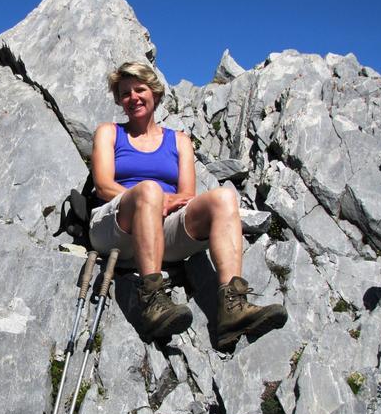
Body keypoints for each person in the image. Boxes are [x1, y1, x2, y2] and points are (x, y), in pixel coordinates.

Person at [89, 61, 287, 350]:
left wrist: (158, 202)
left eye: (139, 89)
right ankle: (152, 299)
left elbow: (187, 196)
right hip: (115, 226)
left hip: (161, 227)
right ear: (120, 101)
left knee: (224, 198)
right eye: (125, 93)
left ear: (155, 93)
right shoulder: (109, 133)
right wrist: (150, 197)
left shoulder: (179, 141)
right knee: (148, 190)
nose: (133, 98)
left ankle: (232, 306)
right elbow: (104, 185)